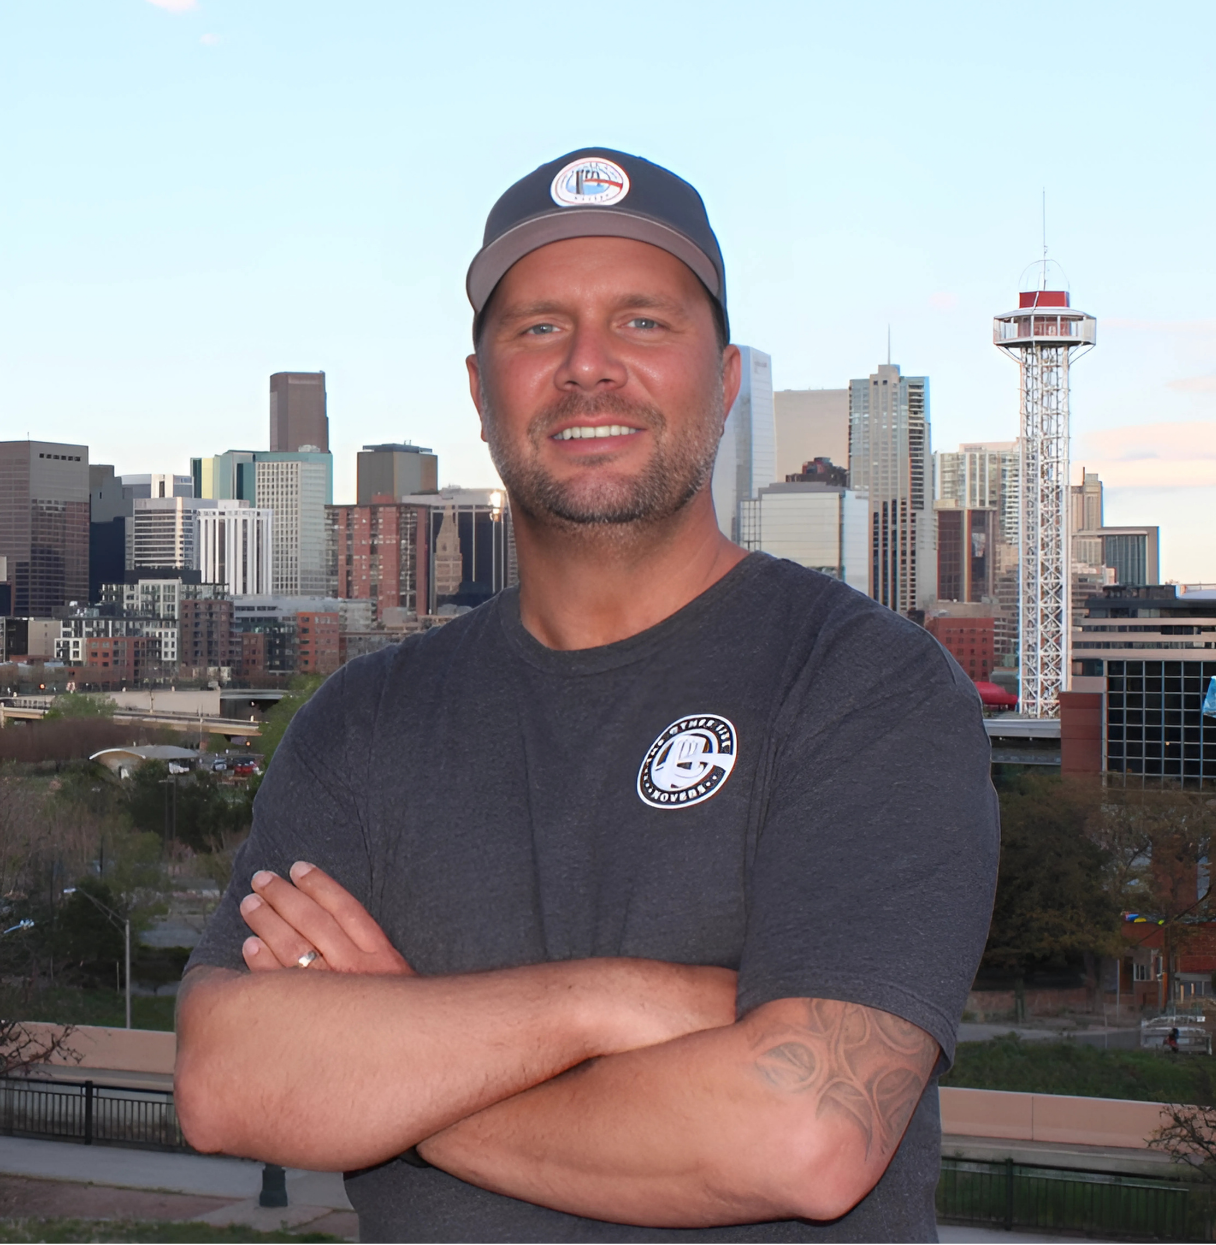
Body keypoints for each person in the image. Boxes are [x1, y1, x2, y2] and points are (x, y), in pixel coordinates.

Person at [175, 148, 999, 1243]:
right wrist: (601, 1004)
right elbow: (229, 1082)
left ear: (727, 377)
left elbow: (802, 1136)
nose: (588, 366)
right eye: (537, 327)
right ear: (481, 391)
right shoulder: (362, 725)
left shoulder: (864, 683)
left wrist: (395, 1075)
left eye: (644, 323)